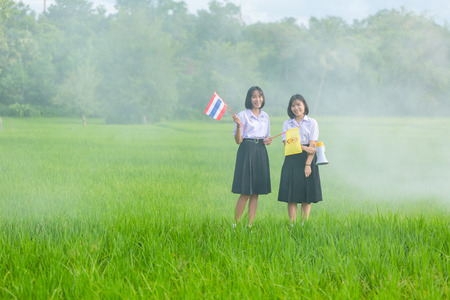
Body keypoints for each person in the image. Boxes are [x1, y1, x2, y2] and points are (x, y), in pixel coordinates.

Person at [278, 94, 322, 225]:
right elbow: (287, 144)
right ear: (290, 108)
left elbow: (312, 146)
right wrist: (304, 147)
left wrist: (308, 164)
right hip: (291, 158)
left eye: (298, 105)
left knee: (306, 194)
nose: (296, 108)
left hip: (308, 158)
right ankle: (292, 224)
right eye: (293, 105)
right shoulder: (287, 123)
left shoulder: (312, 122)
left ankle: (304, 224)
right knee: (291, 195)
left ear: (304, 105)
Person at [232, 86, 272, 227]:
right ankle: (235, 224)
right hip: (247, 150)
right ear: (249, 98)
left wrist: (267, 141)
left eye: (260, 96)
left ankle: (250, 225)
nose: (257, 99)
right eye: (254, 96)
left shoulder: (265, 116)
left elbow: (266, 138)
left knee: (256, 192)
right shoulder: (242, 115)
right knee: (246, 191)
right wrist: (237, 126)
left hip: (260, 151)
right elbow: (238, 140)